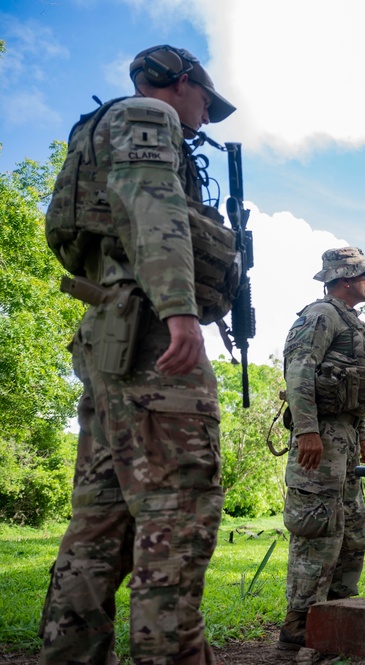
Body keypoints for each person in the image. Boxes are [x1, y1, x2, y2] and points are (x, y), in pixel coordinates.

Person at [38, 45, 237, 665]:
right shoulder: (148, 120)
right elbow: (154, 210)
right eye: (206, 101)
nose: (206, 115)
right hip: (152, 340)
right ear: (180, 85)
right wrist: (180, 310)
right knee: (176, 516)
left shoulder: (94, 132)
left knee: (99, 525)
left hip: (108, 338)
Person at [279, 247, 365, 651]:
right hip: (320, 440)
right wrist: (307, 430)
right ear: (345, 279)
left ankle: (338, 615)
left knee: (350, 529)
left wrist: (361, 435)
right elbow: (299, 371)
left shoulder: (354, 324)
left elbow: (352, 386)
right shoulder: (321, 315)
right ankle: (299, 623)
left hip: (343, 439)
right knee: (318, 528)